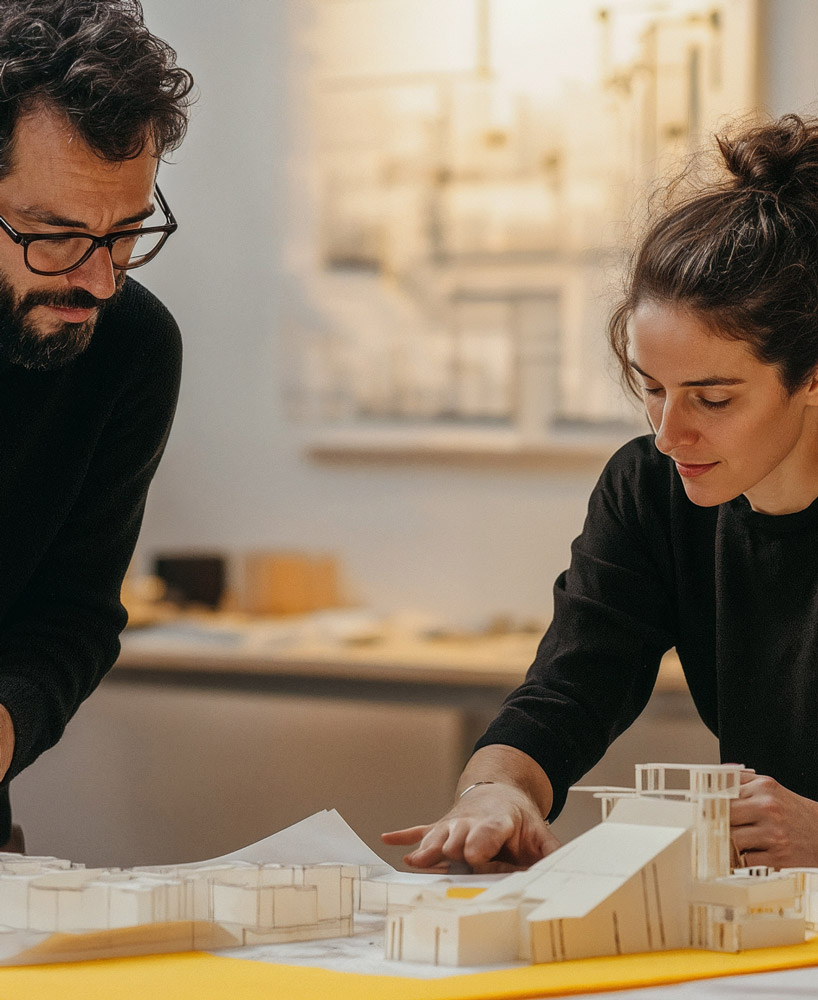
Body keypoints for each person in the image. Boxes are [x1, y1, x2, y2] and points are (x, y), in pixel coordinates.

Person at [384, 112, 818, 874]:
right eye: (652, 388)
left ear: (812, 377)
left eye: (712, 399)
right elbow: (573, 684)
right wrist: (498, 790)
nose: (668, 433)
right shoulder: (652, 488)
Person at [0, 0, 193, 849]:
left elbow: (71, 614)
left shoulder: (131, 350)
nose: (100, 281)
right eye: (54, 236)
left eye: (125, 233)